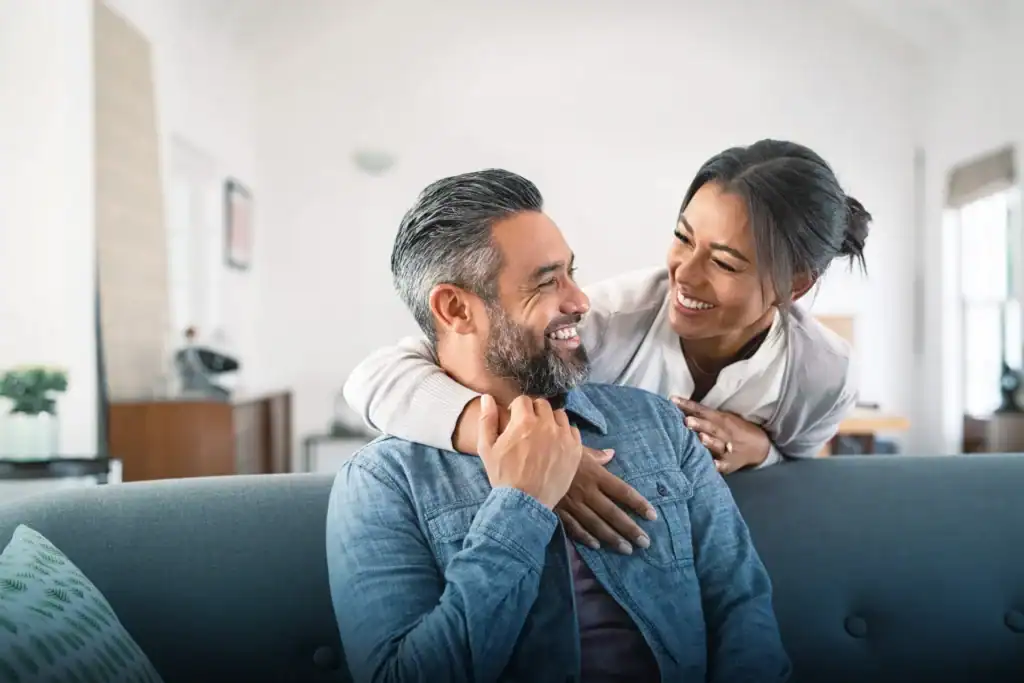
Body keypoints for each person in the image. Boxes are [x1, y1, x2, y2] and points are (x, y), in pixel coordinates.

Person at [327, 169, 790, 683]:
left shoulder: (660, 424)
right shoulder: (382, 482)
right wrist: (520, 505)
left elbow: (741, 608)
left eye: (572, 272)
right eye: (548, 281)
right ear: (456, 308)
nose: (580, 300)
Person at [343, 139, 870, 554]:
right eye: (682, 237)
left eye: (725, 262)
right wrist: (530, 450)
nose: (683, 274)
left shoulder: (822, 376)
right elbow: (375, 378)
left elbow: (801, 471)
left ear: (794, 286)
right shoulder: (608, 320)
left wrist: (764, 451)